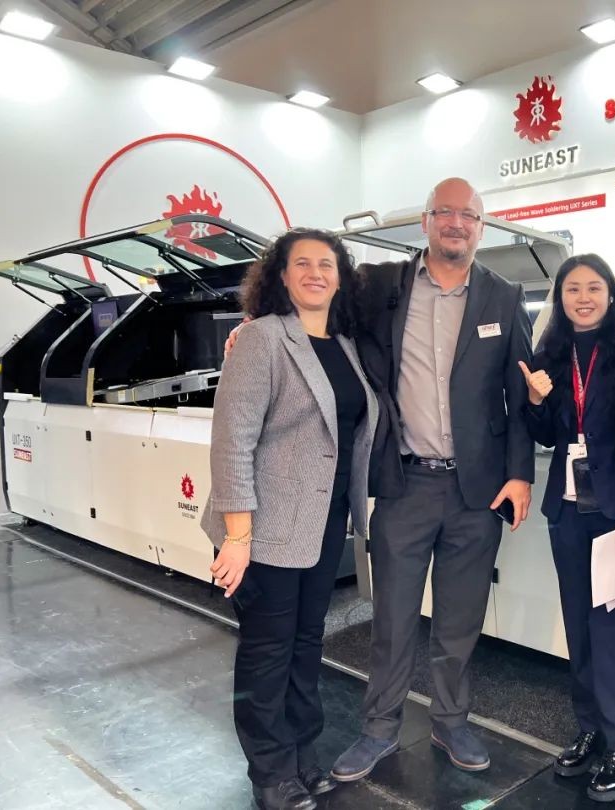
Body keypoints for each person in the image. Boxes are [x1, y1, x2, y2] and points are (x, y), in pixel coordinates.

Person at [331, 177, 535, 780]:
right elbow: (320, 312)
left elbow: (519, 395)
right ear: (425, 221)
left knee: (459, 618)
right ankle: (379, 728)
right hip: (405, 483)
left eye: (468, 215)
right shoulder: (381, 286)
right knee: (392, 618)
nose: (456, 223)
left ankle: (450, 721)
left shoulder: (504, 296)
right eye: (445, 212)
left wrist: (520, 474)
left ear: (481, 227)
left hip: (478, 491)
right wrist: (255, 323)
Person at [202, 229, 380, 810]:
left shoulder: (345, 344)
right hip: (264, 527)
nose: (315, 273)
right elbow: (232, 442)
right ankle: (269, 772)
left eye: (326, 264)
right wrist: (237, 537)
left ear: (340, 276)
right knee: (268, 651)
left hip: (324, 522)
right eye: (302, 263)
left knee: (306, 642)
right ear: (281, 275)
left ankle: (302, 753)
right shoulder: (261, 338)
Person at [518, 254, 615, 802]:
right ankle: (590, 727)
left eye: (594, 287)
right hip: (568, 511)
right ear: (560, 298)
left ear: (611, 295)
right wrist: (535, 400)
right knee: (578, 624)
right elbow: (544, 434)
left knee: (610, 628)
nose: (584, 297)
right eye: (573, 289)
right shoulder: (547, 356)